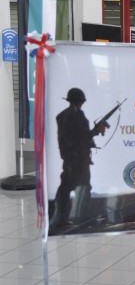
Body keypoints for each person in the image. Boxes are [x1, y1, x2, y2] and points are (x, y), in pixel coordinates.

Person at [51, 88, 107, 228]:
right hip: (75, 158)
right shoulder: (71, 115)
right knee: (70, 186)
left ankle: (69, 217)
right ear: (80, 101)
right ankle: (64, 218)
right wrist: (95, 131)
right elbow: (78, 138)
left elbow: (79, 137)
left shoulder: (70, 114)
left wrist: (92, 134)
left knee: (75, 186)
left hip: (76, 157)